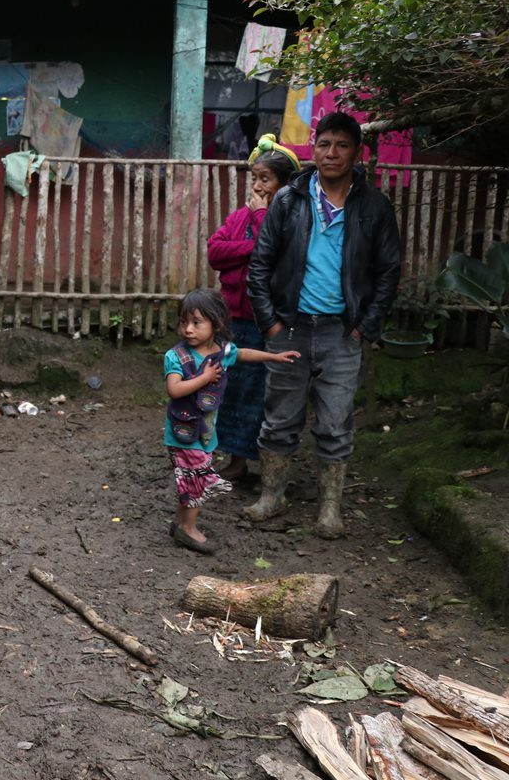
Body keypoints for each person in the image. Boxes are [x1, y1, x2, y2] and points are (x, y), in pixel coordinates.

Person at [245, 111, 402, 539]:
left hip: (341, 331)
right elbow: (260, 266)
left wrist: (362, 328)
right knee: (279, 418)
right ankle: (271, 495)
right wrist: (272, 327)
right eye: (324, 144)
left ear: (356, 152)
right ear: (313, 149)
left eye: (341, 145)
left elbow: (389, 271)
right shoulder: (289, 199)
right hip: (290, 327)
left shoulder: (373, 205)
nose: (331, 153)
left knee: (335, 423)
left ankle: (330, 508)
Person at [164, 289, 300, 554]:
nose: (188, 329)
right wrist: (204, 378)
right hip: (184, 433)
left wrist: (273, 356)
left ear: (216, 323)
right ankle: (188, 530)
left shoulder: (220, 350)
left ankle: (180, 523)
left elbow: (242, 354)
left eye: (196, 322)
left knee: (192, 479)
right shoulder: (176, 357)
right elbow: (175, 390)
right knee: (198, 479)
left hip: (205, 432)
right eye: (184, 322)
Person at [207, 135, 301, 483]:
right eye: (256, 178)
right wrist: (250, 245)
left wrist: (261, 218)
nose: (258, 186)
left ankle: (269, 463)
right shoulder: (238, 217)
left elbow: (274, 255)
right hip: (236, 317)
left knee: (266, 391)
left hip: (271, 320)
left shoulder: (291, 217)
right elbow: (215, 253)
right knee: (233, 388)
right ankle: (236, 460)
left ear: (284, 183)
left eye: (266, 179)